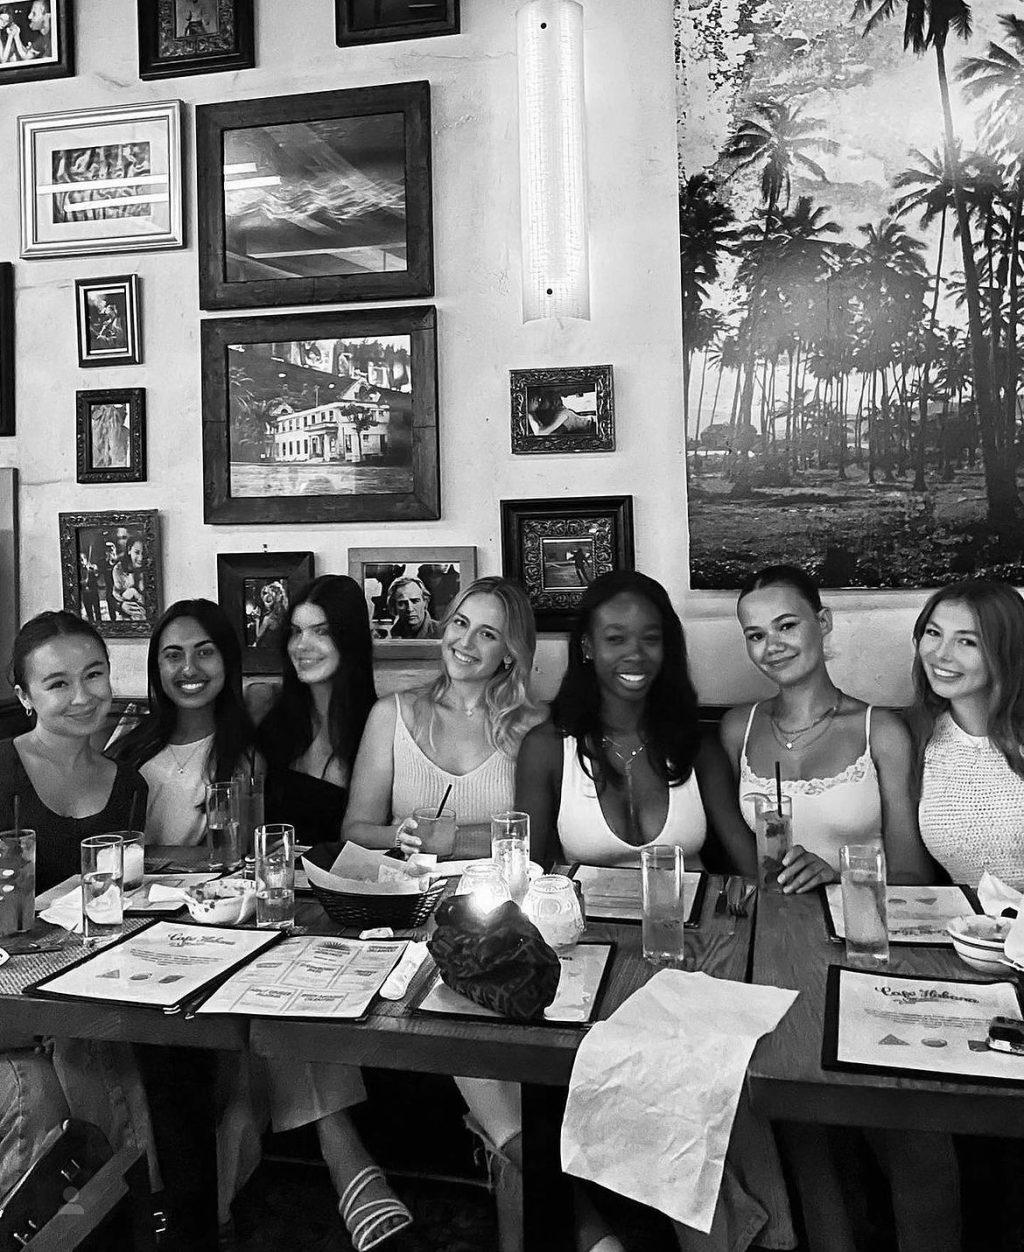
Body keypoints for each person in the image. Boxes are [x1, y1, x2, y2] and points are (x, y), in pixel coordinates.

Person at [344, 576, 544, 1252]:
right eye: (460, 623)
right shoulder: (390, 714)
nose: (465, 641)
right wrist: (423, 838)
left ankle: (516, 1155)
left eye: (488, 633)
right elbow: (359, 827)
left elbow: (535, 839)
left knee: (481, 981)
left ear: (510, 653)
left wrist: (439, 834)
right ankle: (521, 1155)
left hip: (502, 910)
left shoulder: (531, 726)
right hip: (406, 908)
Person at [0, 611, 153, 1204]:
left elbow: (125, 899)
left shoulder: (129, 785)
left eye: (95, 675)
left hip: (88, 978)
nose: (83, 696)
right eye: (57, 683)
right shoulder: (1, 767)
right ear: (25, 695)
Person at [517, 570, 756, 873]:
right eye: (616, 639)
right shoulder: (546, 748)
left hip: (689, 920)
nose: (635, 653)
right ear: (587, 646)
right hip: (587, 920)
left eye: (651, 639)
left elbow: (754, 871)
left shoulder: (698, 749)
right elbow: (526, 875)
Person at [720, 564, 932, 891]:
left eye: (787, 626)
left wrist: (836, 877)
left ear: (823, 622)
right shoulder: (738, 729)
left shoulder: (880, 732)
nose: (772, 646)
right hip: (774, 924)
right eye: (756, 635)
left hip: (863, 926)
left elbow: (913, 877)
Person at [912, 578, 1024, 888]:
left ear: (1007, 651)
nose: (940, 654)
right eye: (933, 633)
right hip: (966, 931)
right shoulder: (916, 738)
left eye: (967, 641)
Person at [258, 574, 376, 846]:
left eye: (321, 631)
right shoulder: (272, 721)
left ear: (350, 640)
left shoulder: (376, 727)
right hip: (273, 883)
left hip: (347, 883)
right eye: (296, 631)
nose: (301, 645)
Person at [386, 575, 440, 640]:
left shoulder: (443, 632)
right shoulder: (388, 637)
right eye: (402, 603)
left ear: (425, 603)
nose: (410, 609)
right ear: (394, 607)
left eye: (415, 601)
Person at [254, 579, 288, 652]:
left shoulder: (268, 618)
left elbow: (258, 637)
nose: (266, 597)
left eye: (268, 594)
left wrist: (256, 619)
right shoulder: (285, 614)